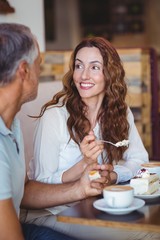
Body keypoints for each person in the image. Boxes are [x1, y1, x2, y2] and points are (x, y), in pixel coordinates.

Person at [23, 37, 149, 239]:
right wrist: (84, 164)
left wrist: (113, 176)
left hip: (92, 207)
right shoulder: (55, 117)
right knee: (141, 236)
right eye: (79, 66)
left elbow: (140, 161)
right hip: (53, 213)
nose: (84, 75)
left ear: (110, 74)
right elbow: (39, 185)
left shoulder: (121, 113)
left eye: (95, 67)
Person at [0, 23, 113, 240]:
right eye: (38, 65)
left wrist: (81, 188)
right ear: (24, 71)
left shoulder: (11, 122)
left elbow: (25, 192)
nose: (40, 72)